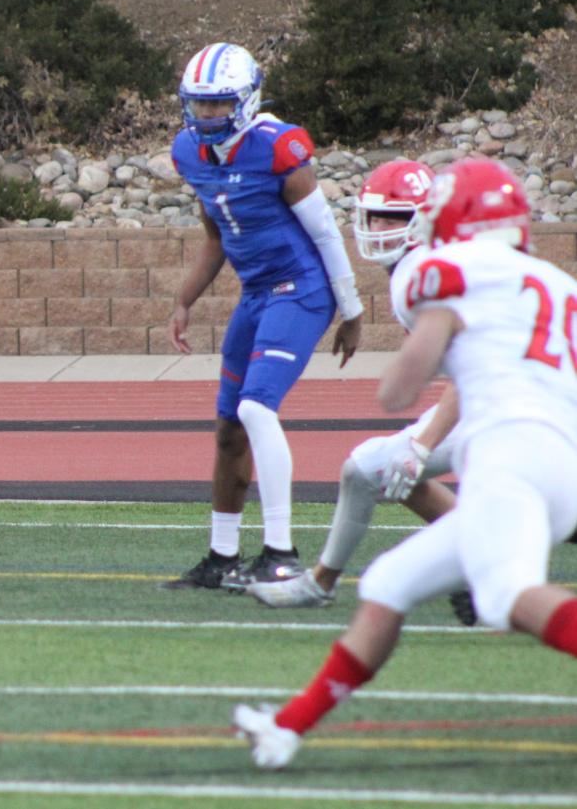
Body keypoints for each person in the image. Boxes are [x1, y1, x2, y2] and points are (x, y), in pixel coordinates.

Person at [235, 158, 577, 769]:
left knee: (507, 598)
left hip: (509, 451)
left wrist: (406, 384)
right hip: (561, 459)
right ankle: (286, 728)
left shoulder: (444, 273)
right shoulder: (556, 281)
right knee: (390, 584)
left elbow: (400, 389)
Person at [164, 42, 364, 592]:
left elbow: (325, 232)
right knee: (228, 428)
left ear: (248, 99)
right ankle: (222, 558)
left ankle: (282, 552)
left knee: (255, 407)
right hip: (256, 293)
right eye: (199, 105)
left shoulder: (278, 148)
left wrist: (352, 309)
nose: (206, 116)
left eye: (218, 104)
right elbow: (215, 236)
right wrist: (185, 299)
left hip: (301, 288)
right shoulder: (189, 153)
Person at [247, 160, 469, 620]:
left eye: (395, 217)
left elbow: (475, 377)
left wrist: (423, 446)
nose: (380, 227)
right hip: (515, 397)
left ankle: (481, 564)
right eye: (375, 216)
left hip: (522, 402)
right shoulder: (446, 263)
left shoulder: (423, 274)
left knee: (382, 468)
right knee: (373, 468)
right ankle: (477, 560)